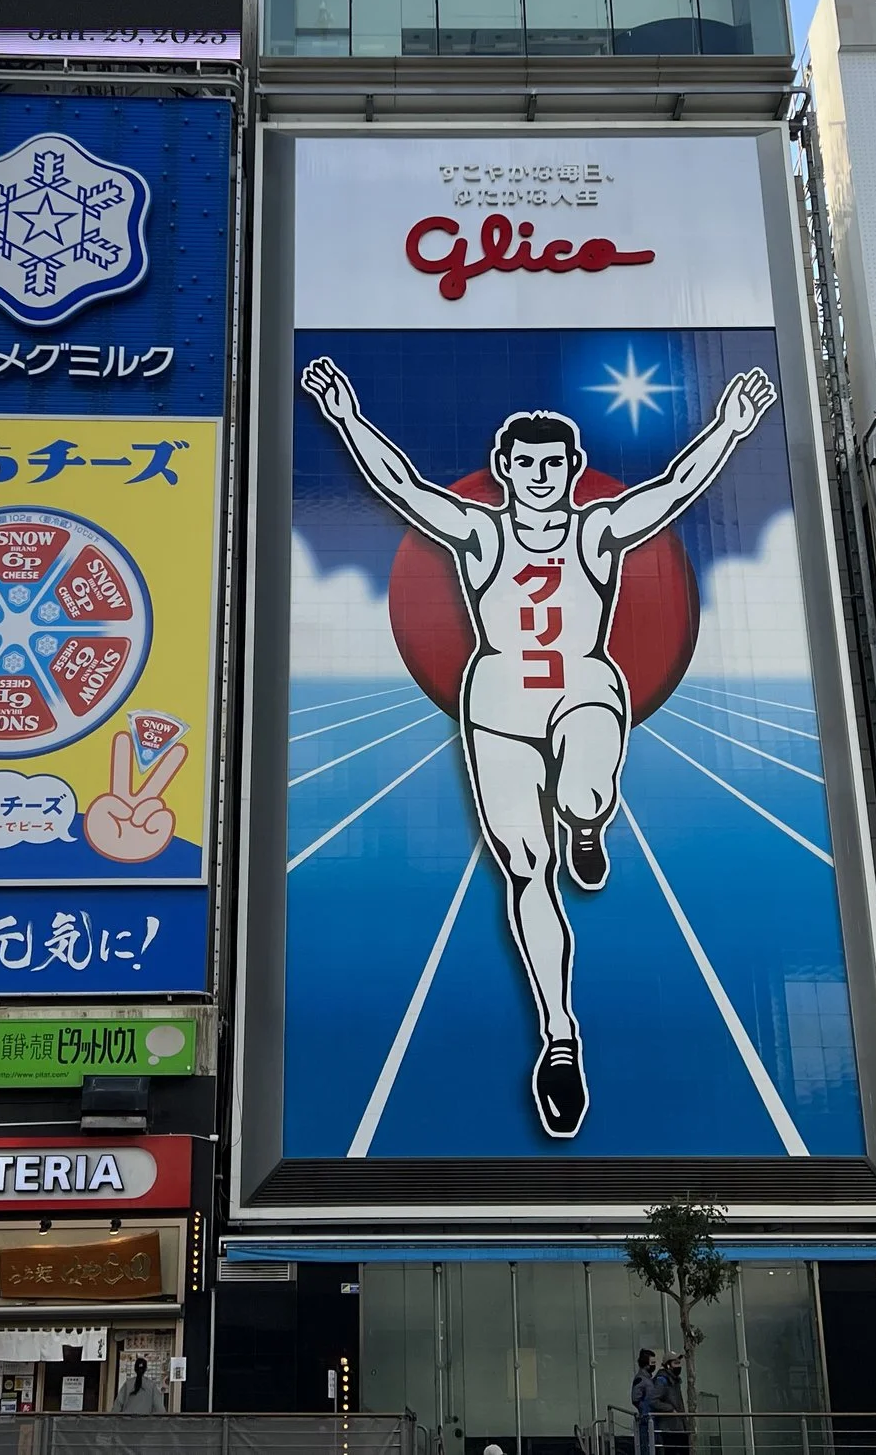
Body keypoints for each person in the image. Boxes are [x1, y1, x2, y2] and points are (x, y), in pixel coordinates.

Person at [303, 357, 776, 1137]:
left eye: (554, 463)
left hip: (583, 687)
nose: (542, 475)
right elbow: (405, 489)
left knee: (583, 793)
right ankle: (560, 1037)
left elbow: (673, 491)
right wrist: (349, 417)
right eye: (528, 464)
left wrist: (727, 425)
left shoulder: (598, 529)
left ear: (570, 468)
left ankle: (587, 819)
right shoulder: (481, 535)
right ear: (506, 470)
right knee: (526, 867)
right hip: (497, 706)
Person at [630, 1349, 658, 1455]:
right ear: (646, 1364)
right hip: (646, 1419)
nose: (654, 1365)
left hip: (651, 1418)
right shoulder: (641, 1379)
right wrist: (644, 1410)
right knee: (646, 1445)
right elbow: (635, 1398)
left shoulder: (648, 1379)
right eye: (652, 1363)